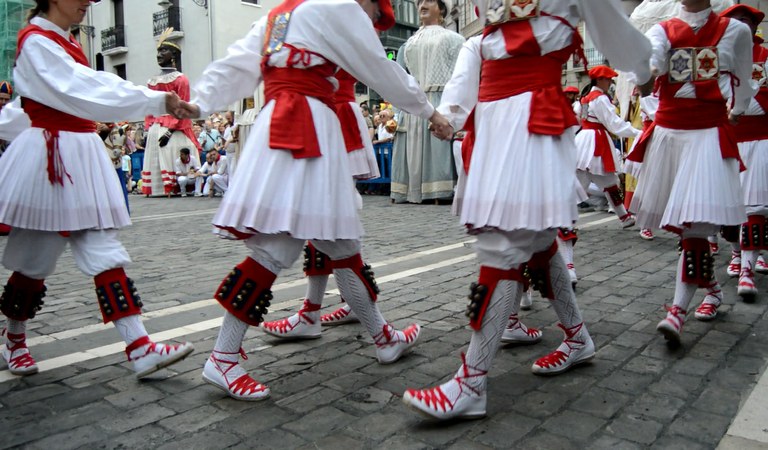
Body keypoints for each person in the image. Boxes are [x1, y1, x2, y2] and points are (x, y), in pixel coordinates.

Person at [179, 0, 450, 401]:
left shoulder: (281, 13)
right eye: (375, 12)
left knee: (341, 243)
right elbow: (380, 68)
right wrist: (429, 112)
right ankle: (222, 356)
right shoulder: (339, 9)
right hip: (306, 126)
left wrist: (201, 104)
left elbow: (237, 64)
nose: (373, 19)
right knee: (275, 246)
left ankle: (383, 336)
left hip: (288, 123)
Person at [402, 0, 652, 420]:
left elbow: (623, 41)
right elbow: (475, 58)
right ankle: (577, 337)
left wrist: (646, 74)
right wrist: (448, 112)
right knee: (536, 242)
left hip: (533, 125)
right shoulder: (489, 21)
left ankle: (471, 382)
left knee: (502, 247)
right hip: (497, 131)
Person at [0, 0, 193, 378]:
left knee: (103, 249)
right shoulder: (36, 41)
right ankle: (15, 340)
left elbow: (41, 102)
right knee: (34, 259)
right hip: (52, 158)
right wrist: (151, 97)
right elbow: (80, 89)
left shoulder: (65, 41)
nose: (89, 1)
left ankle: (139, 347)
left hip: (77, 153)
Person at [628, 0, 753, 338]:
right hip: (671, 137)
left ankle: (677, 310)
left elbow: (743, 76)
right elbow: (651, 57)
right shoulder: (662, 28)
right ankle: (711, 289)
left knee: (695, 228)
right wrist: (646, 72)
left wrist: (738, 110)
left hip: (707, 135)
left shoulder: (736, 31)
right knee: (687, 229)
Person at [714, 4, 768, 305]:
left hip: (759, 138)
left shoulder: (765, 56)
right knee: (727, 206)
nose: (740, 26)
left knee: (755, 208)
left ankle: (747, 268)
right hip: (727, 138)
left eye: (745, 22)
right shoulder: (717, 58)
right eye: (734, 22)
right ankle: (737, 252)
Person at [390, 0, 464, 204]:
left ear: (441, 9)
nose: (422, 4)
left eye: (429, 1)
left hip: (441, 98)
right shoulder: (408, 43)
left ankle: (439, 189)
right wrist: (397, 112)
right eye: (420, 1)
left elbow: (461, 76)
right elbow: (400, 77)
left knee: (437, 144)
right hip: (415, 102)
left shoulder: (455, 39)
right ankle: (409, 189)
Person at [575, 65, 641, 229]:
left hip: (584, 140)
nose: (611, 81)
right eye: (608, 78)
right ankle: (564, 221)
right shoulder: (600, 98)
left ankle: (624, 217)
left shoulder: (586, 97)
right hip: (595, 141)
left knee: (599, 181)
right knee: (604, 181)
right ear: (599, 79)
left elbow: (581, 119)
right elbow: (614, 124)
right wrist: (637, 133)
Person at [141, 28, 201, 197]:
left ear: (173, 55)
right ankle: (159, 187)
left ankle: (179, 185)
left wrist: (170, 130)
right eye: (158, 51)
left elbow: (182, 106)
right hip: (156, 127)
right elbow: (149, 106)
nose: (159, 54)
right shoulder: (152, 81)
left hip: (174, 127)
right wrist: (149, 127)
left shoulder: (181, 79)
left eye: (164, 50)